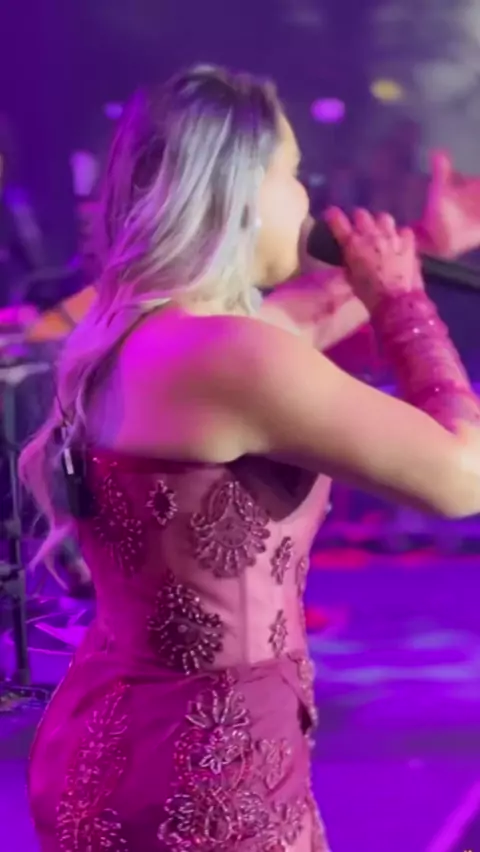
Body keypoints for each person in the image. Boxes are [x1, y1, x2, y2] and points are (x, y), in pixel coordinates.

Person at [18, 65, 480, 852]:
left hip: (107, 751)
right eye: (292, 175)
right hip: (208, 786)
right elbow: (462, 479)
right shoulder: (234, 358)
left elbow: (301, 323)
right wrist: (404, 301)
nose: (307, 200)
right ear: (237, 191)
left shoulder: (135, 334)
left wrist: (426, 246)